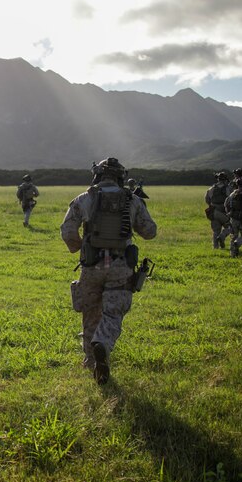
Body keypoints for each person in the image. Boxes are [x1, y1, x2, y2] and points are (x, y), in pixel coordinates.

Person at [61, 157, 157, 384]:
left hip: (91, 266)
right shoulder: (131, 200)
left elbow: (67, 230)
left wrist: (79, 248)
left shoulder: (84, 198)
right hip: (120, 267)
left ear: (97, 175)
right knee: (113, 313)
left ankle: (91, 362)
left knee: (90, 312)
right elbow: (150, 231)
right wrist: (139, 207)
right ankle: (102, 344)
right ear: (121, 176)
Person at [204, 171, 230, 249]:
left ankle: (215, 247)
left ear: (218, 179)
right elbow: (230, 200)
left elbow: (207, 200)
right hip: (224, 212)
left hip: (214, 212)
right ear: (225, 179)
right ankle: (222, 237)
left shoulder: (211, 188)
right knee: (230, 227)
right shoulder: (228, 188)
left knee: (216, 231)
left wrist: (212, 205)